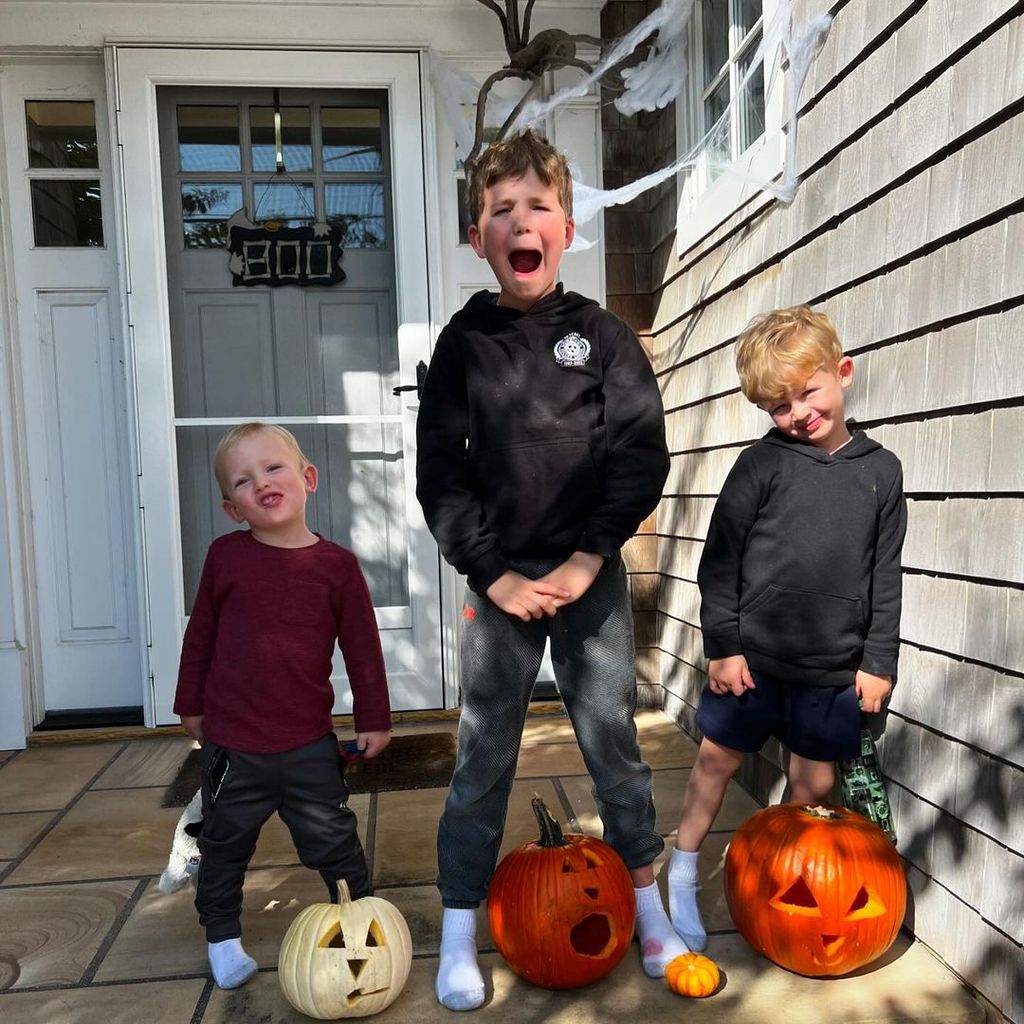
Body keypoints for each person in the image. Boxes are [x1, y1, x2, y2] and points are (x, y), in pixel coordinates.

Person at [416, 129, 683, 1011]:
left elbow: (640, 453)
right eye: (500, 211)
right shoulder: (463, 344)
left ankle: (647, 908)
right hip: (500, 586)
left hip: (588, 577)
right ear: (477, 238)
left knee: (614, 743)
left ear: (568, 228)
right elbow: (441, 471)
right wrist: (490, 575)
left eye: (537, 207)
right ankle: (460, 927)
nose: (519, 222)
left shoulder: (602, 337)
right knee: (483, 750)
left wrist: (585, 557)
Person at [667, 306, 906, 952]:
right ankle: (683, 872)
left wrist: (878, 662)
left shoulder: (881, 474)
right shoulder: (762, 466)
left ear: (844, 373)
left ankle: (796, 892)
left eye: (808, 392)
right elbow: (720, 562)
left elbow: (886, 575)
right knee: (715, 762)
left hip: (831, 671)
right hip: (753, 663)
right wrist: (723, 647)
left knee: (815, 788)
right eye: (779, 405)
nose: (798, 413)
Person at [173, 422, 391, 990]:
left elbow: (363, 647)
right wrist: (189, 704)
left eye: (273, 468)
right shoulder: (225, 558)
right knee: (224, 844)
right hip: (232, 745)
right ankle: (222, 937)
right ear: (231, 508)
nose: (262, 483)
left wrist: (373, 717)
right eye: (244, 481)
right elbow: (200, 637)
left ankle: (358, 914)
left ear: (307, 479)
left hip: (306, 744)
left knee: (333, 836)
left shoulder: (336, 566)